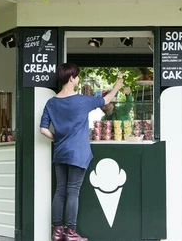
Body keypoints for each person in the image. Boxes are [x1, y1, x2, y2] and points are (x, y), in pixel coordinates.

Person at [40, 63, 124, 241]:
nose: (78, 79)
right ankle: (71, 233)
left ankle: (57, 232)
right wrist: (118, 84)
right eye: (77, 76)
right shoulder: (82, 100)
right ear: (71, 78)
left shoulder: (51, 103)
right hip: (77, 153)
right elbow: (106, 100)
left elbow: (43, 129)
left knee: (60, 191)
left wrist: (58, 138)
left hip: (60, 153)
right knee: (73, 191)